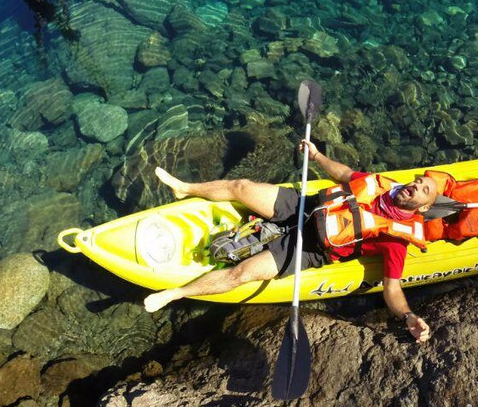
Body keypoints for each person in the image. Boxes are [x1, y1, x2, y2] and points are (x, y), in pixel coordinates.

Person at [143, 139, 437, 343]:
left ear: (423, 207)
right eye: (417, 182)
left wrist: (408, 316)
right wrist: (318, 156)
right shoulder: (379, 186)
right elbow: (345, 174)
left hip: (310, 249)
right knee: (241, 186)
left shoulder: (396, 241)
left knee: (243, 273)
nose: (414, 187)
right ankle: (185, 188)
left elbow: (392, 288)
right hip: (303, 206)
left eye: (423, 191)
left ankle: (176, 293)